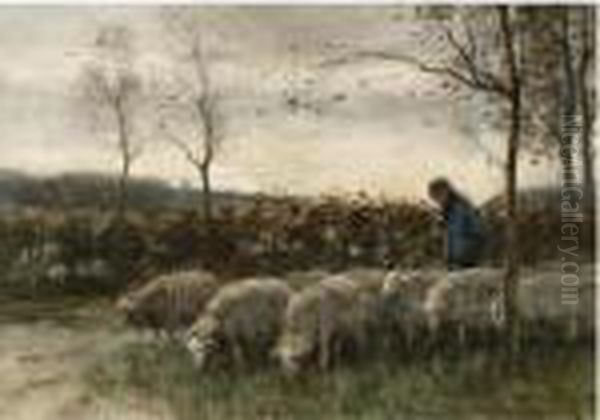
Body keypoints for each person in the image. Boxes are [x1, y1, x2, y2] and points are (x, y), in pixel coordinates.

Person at [428, 177, 486, 270]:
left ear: (445, 192)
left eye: (437, 197)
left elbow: (464, 233)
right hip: (457, 261)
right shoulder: (447, 211)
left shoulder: (460, 208)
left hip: (466, 260)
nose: (437, 202)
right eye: (434, 198)